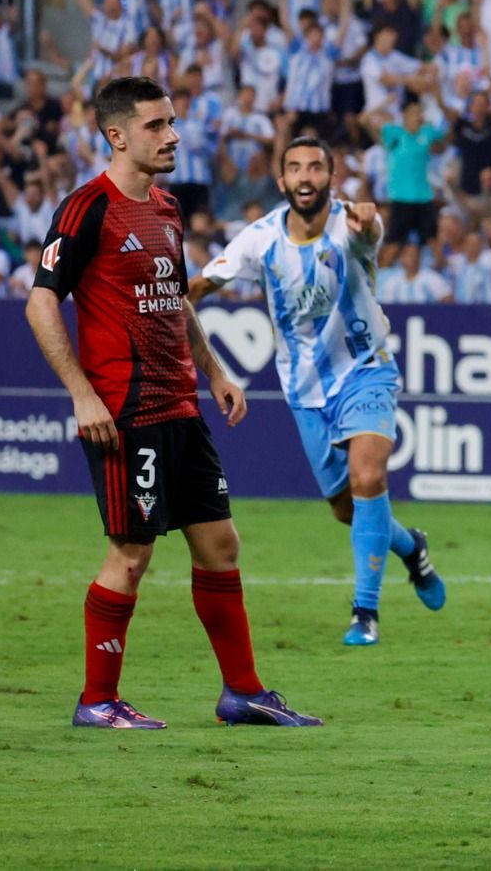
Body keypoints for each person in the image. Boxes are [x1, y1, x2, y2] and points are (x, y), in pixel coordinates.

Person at [25, 76, 320, 728]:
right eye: (157, 126)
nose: (173, 135)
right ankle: (97, 701)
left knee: (220, 543)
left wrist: (214, 372)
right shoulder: (86, 209)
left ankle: (242, 692)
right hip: (124, 411)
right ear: (117, 135)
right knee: (131, 555)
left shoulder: (166, 208)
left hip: (181, 406)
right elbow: (41, 301)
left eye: (172, 122)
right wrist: (81, 394)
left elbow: (177, 298)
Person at [187, 135, 445, 646]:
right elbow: (199, 287)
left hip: (367, 369)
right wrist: (160, 294)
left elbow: (369, 232)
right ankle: (409, 546)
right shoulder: (259, 239)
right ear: (281, 181)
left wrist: (368, 223)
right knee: (348, 510)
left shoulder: (351, 224)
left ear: (331, 177)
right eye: (295, 169)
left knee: (368, 477)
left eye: (316, 167)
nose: (306, 177)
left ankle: (364, 612)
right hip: (304, 390)